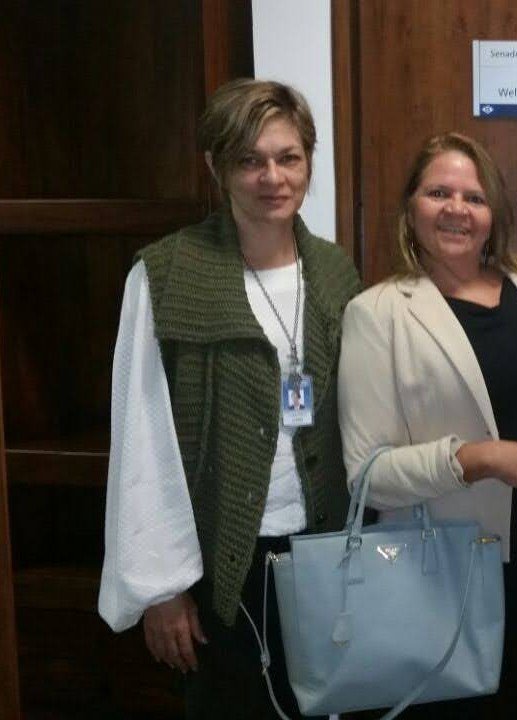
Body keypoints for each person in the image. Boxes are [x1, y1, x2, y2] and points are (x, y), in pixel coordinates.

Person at [98, 79, 361, 719]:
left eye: (288, 157)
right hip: (221, 565)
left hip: (326, 550)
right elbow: (141, 436)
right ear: (216, 167)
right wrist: (162, 587)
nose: (273, 177)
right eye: (250, 160)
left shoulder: (336, 272)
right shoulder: (167, 275)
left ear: (308, 161)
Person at [338, 132, 517, 718]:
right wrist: (486, 457)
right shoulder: (377, 314)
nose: (457, 209)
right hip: (446, 579)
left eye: (473, 197)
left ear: (493, 213)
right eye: (438, 193)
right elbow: (368, 476)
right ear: (410, 208)